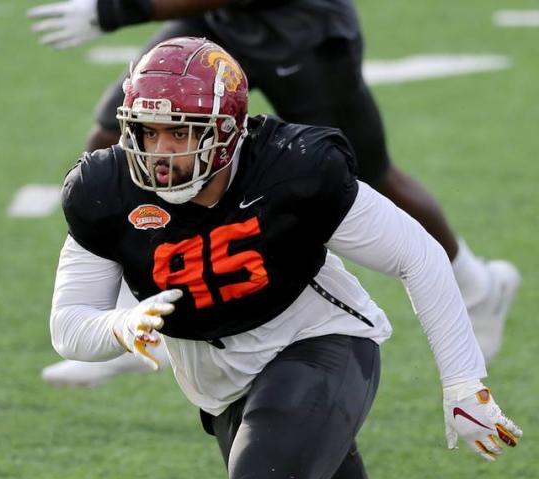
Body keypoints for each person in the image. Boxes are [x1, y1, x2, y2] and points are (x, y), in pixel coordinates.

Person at [48, 38, 532, 479]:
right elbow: (69, 326)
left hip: (316, 338)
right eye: (149, 131)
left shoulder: (293, 167)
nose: (161, 152)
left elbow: (417, 254)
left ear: (227, 132)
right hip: (223, 385)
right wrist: (118, 326)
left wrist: (463, 383)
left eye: (181, 133)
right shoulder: (104, 190)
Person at [30, 0, 521, 386]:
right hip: (223, 18)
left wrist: (116, 9)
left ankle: (478, 288)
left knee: (367, 176)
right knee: (122, 140)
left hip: (297, 23)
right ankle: (137, 323)